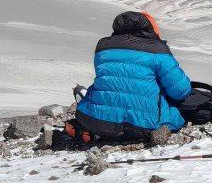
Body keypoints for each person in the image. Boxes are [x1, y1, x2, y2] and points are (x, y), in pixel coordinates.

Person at [72, 11, 193, 140]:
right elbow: (181, 91)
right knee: (177, 112)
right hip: (146, 126)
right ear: (152, 28)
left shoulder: (103, 47)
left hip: (95, 120)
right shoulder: (158, 50)